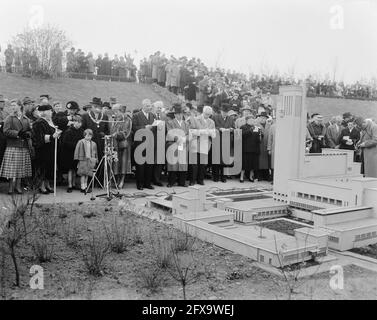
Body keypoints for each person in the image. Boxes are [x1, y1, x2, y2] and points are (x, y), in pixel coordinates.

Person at [0, 100, 33, 194]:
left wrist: (28, 134)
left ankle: (18, 187)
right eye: (11, 105)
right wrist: (18, 134)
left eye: (14, 105)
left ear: (19, 106)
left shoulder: (26, 119)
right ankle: (10, 187)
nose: (12, 107)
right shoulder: (9, 118)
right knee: (12, 168)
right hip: (13, 146)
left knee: (21, 168)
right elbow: (5, 131)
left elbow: (30, 131)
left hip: (24, 146)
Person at [32, 104, 62, 194]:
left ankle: (47, 184)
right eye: (50, 111)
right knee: (43, 167)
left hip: (51, 148)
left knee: (49, 167)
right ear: (44, 112)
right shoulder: (39, 122)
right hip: (42, 149)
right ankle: (41, 186)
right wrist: (53, 136)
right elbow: (39, 137)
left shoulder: (50, 121)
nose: (51, 112)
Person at [132, 99, 156, 190]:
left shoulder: (152, 115)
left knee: (149, 164)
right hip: (140, 143)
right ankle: (140, 184)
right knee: (140, 165)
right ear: (143, 106)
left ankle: (147, 183)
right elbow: (134, 128)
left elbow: (154, 128)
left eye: (150, 106)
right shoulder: (136, 115)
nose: (149, 108)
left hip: (150, 142)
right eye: (148, 106)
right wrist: (144, 127)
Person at [188, 105, 216, 185]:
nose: (207, 116)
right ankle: (192, 180)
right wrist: (203, 131)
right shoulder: (196, 119)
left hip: (205, 144)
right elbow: (192, 131)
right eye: (206, 114)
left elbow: (214, 135)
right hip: (195, 143)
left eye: (209, 114)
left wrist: (210, 132)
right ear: (203, 112)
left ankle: (200, 180)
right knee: (194, 164)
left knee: (203, 164)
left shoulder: (212, 122)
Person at [166, 104, 189, 187]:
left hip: (183, 144)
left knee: (182, 163)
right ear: (175, 114)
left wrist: (184, 138)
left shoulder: (186, 124)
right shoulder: (170, 123)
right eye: (177, 114)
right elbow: (170, 133)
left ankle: (182, 182)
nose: (179, 115)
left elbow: (188, 134)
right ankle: (171, 182)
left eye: (181, 114)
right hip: (173, 144)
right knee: (173, 163)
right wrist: (177, 138)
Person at [110, 104, 132, 189]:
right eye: (114, 111)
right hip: (114, 144)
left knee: (123, 163)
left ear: (120, 111)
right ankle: (116, 180)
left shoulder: (127, 119)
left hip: (123, 144)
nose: (114, 113)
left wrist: (116, 134)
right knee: (116, 163)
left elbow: (126, 132)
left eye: (116, 111)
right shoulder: (113, 119)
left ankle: (122, 180)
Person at [212, 103, 235, 182]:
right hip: (217, 141)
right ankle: (215, 177)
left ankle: (223, 177)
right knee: (216, 160)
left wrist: (230, 129)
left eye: (226, 112)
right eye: (223, 112)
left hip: (226, 141)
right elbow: (212, 127)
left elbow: (234, 128)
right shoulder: (215, 117)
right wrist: (220, 129)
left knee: (224, 160)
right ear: (221, 111)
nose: (224, 114)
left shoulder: (231, 119)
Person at [61, 115, 84, 192]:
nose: (79, 124)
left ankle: (74, 184)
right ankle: (70, 185)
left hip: (78, 153)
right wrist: (77, 145)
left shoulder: (81, 131)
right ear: (74, 122)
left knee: (75, 169)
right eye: (77, 122)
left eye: (80, 122)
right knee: (70, 170)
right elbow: (65, 143)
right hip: (70, 153)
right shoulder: (69, 131)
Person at [240, 117, 262, 183]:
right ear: (247, 120)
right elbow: (242, 135)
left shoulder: (256, 127)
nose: (252, 121)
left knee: (253, 165)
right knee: (244, 164)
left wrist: (260, 134)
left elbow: (259, 139)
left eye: (252, 120)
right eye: (250, 120)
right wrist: (250, 130)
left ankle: (250, 177)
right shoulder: (243, 127)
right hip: (246, 149)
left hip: (255, 149)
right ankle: (241, 177)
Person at [256, 111, 271, 181]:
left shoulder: (269, 125)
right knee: (259, 162)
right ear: (259, 118)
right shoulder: (256, 125)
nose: (263, 119)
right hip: (259, 145)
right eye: (261, 118)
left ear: (266, 119)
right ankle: (259, 176)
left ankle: (266, 176)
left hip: (267, 145)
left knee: (267, 162)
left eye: (264, 118)